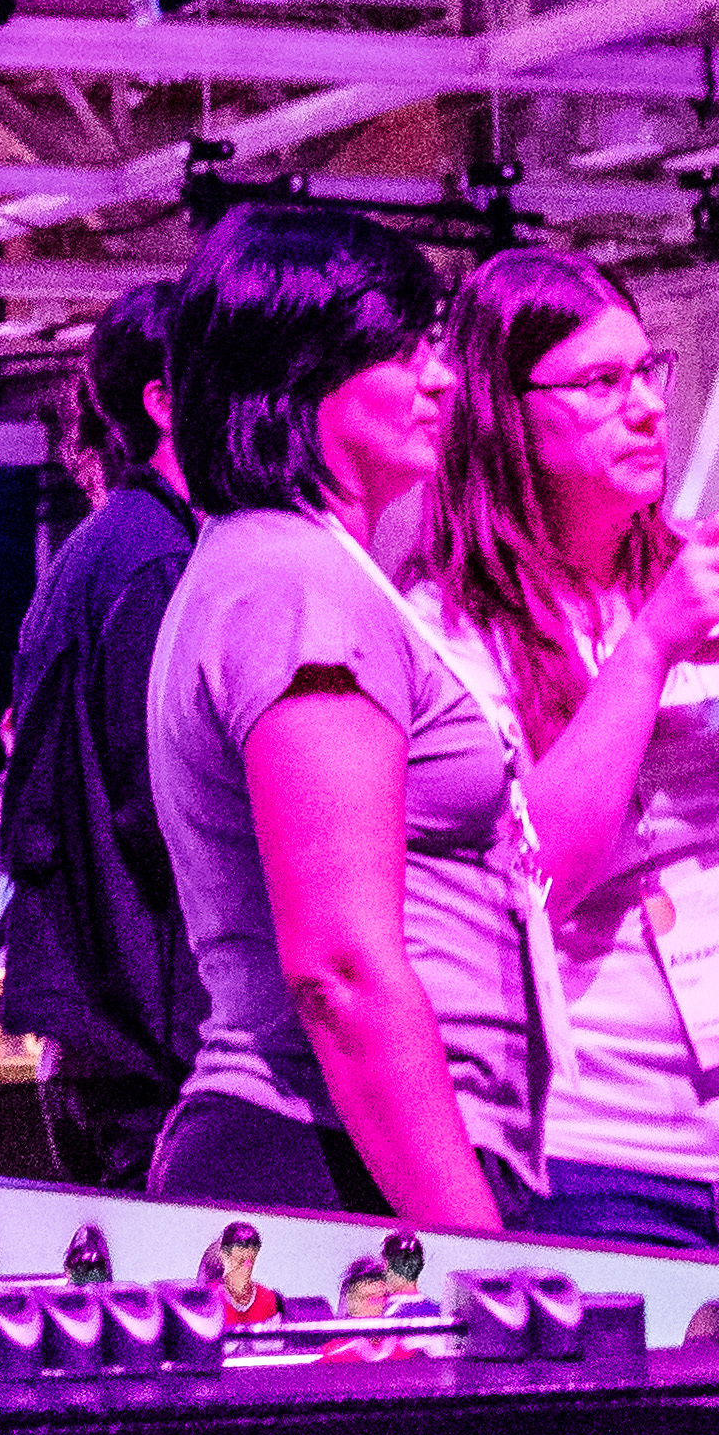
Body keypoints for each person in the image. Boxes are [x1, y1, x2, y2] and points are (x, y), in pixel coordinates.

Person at [417, 247, 719, 1273]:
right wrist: (647, 648)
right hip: (602, 1148)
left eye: (648, 372)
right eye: (602, 383)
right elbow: (531, 879)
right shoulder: (447, 625)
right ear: (507, 411)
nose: (645, 406)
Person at [139, 203, 539, 1229]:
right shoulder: (296, 586)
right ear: (296, 371)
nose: (441, 377)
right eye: (402, 349)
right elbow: (341, 971)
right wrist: (475, 1253)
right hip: (324, 1162)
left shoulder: (281, 567)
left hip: (332, 1157)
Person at [0, 286, 202, 1188]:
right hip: (144, 1039)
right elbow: (167, 815)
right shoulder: (152, 557)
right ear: (163, 400)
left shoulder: (110, 544)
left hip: (101, 1033)